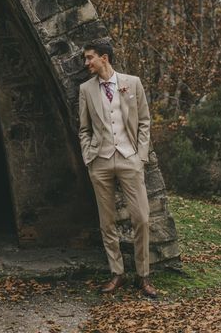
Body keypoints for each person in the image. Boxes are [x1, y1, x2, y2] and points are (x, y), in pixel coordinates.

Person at [78, 40, 157, 298]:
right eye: (85, 58)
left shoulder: (132, 83)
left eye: (90, 57)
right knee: (107, 221)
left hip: (129, 159)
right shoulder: (85, 89)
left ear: (104, 57)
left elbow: (144, 121)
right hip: (100, 161)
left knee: (142, 218)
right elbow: (84, 129)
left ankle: (143, 276)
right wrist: (89, 157)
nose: (86, 62)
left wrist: (140, 156)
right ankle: (117, 274)